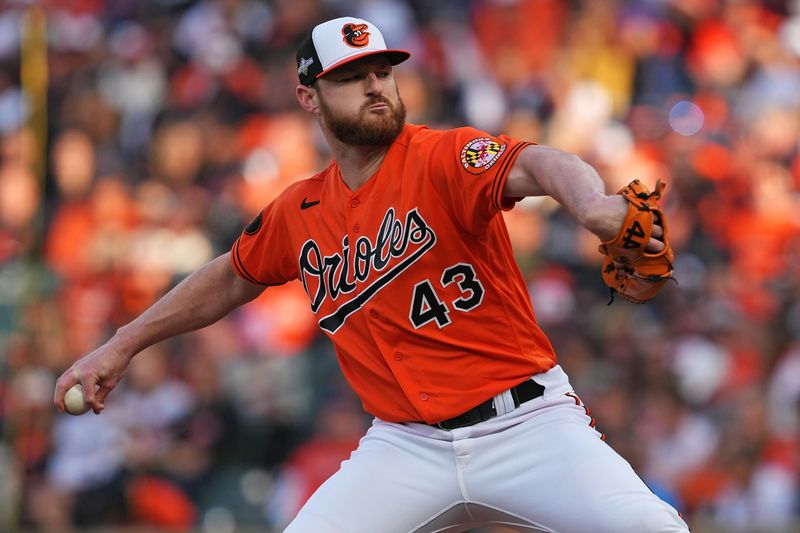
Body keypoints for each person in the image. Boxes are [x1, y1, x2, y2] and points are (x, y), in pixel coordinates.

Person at [54, 16, 690, 533]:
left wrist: (592, 204)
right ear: (308, 96)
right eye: (352, 77)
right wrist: (121, 344)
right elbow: (229, 277)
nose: (376, 86)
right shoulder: (299, 209)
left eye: (383, 71)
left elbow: (541, 163)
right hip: (405, 446)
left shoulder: (442, 156)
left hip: (526, 424)